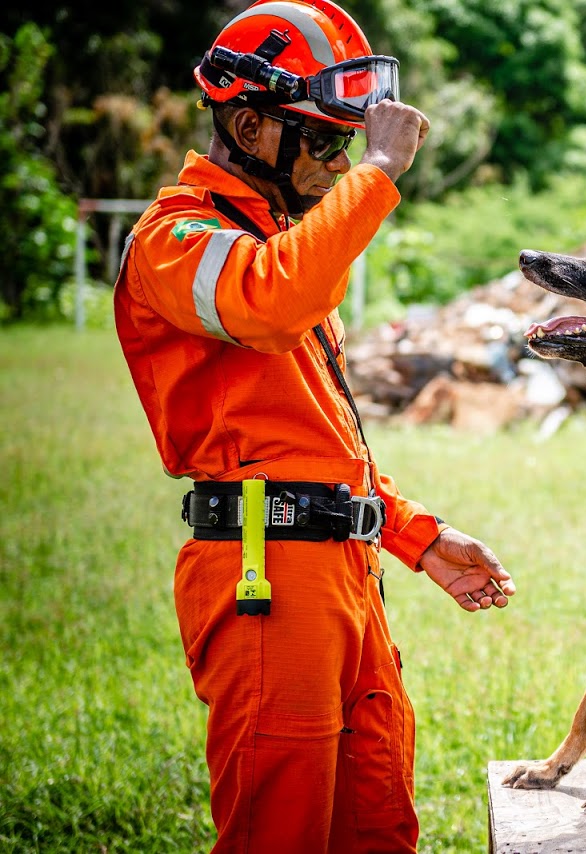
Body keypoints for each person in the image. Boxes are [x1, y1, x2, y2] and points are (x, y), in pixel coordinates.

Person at [112, 1, 515, 850]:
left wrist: (414, 535)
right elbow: (272, 302)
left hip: (340, 569)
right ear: (251, 126)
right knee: (283, 833)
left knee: (374, 821)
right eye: (326, 142)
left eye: (347, 145)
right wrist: (378, 169)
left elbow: (312, 441)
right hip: (267, 580)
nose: (337, 164)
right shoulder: (176, 238)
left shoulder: (284, 240)